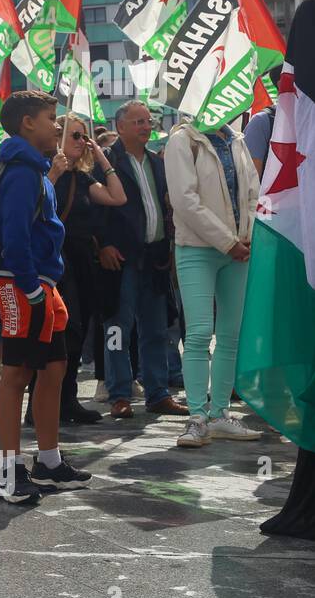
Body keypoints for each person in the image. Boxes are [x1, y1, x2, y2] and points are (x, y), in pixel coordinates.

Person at [0, 91, 93, 504]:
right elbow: (13, 237)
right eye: (51, 118)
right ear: (27, 123)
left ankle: (48, 460)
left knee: (53, 368)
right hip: (21, 284)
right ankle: (9, 473)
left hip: (41, 284)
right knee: (15, 374)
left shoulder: (35, 170)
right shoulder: (19, 171)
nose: (58, 125)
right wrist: (31, 287)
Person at [165, 119, 263, 447]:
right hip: (197, 249)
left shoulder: (237, 139)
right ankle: (197, 417)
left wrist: (247, 237)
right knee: (198, 332)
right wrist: (228, 241)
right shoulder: (182, 140)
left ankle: (220, 414)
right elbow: (184, 200)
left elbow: (252, 191)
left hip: (238, 250)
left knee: (231, 335)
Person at [96, 101, 190, 420]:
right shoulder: (106, 162)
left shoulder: (157, 162)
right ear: (119, 126)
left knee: (156, 330)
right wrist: (102, 245)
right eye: (137, 121)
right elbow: (94, 207)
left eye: (148, 121)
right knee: (117, 330)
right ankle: (119, 394)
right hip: (120, 259)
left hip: (155, 258)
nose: (145, 126)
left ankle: (158, 393)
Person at [49, 113, 126, 423]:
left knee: (78, 331)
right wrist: (54, 172)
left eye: (84, 136)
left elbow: (117, 197)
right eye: (75, 136)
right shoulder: (45, 171)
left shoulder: (81, 178)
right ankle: (46, 403)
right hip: (56, 259)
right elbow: (35, 206)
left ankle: (67, 400)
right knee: (62, 331)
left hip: (81, 259)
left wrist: (101, 158)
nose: (82, 142)